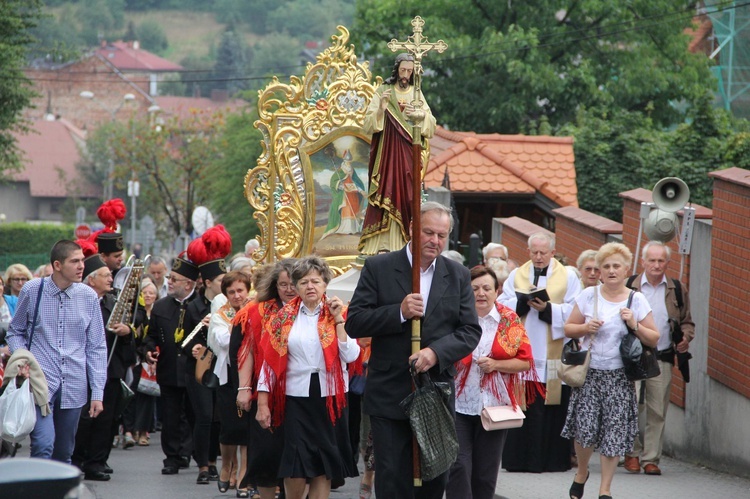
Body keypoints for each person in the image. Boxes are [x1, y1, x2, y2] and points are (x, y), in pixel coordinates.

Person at [346, 201, 482, 499]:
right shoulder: (379, 268)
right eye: (429, 232)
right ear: (411, 229)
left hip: (434, 391)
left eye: (442, 235)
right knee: (393, 477)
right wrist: (398, 312)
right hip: (389, 392)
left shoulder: (457, 274)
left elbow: (470, 330)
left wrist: (435, 353)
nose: (435, 240)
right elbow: (354, 322)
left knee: (435, 477)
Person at [561, 242, 659, 499]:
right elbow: (569, 328)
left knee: (613, 433)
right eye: (606, 266)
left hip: (620, 376)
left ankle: (605, 489)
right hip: (590, 374)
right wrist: (585, 328)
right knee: (584, 431)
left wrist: (634, 323)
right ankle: (582, 472)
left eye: (616, 266)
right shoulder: (588, 295)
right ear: (599, 272)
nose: (611, 270)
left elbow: (654, 338)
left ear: (626, 269)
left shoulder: (635, 299)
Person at [257, 256, 360, 499]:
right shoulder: (283, 318)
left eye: (315, 281)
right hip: (296, 396)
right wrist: (262, 403)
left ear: (325, 284)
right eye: (303, 282)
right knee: (295, 462)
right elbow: (269, 364)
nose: (310, 286)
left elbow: (351, 354)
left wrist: (338, 321)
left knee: (323, 464)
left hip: (330, 397)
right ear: (296, 287)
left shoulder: (339, 312)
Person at [6, 240, 107, 463]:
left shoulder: (89, 296)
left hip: (74, 385)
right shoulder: (33, 290)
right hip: (40, 382)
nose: (82, 266)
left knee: (63, 453)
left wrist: (97, 392)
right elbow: (15, 332)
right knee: (43, 446)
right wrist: (23, 358)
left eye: (82, 260)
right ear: (58, 265)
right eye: (75, 261)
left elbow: (97, 347)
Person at [446, 265, 536, 499]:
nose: (481, 293)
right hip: (458, 403)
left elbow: (525, 361)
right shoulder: (454, 317)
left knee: (485, 474)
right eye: (474, 288)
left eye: (487, 288)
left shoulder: (509, 320)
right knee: (458, 466)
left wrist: (496, 365)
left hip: (495, 406)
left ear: (497, 291)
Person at [498, 232, 582, 473]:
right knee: (526, 409)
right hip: (524, 354)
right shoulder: (517, 275)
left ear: (552, 252)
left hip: (552, 354)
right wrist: (523, 303)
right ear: (528, 251)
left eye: (543, 253)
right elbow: (502, 306)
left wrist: (548, 309)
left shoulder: (568, 276)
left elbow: (576, 310)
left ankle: (552, 461)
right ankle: (518, 461)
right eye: (534, 252)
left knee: (551, 408)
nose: (538, 257)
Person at [623, 241, 694, 476]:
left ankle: (651, 459)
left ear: (667, 263)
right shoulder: (629, 286)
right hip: (632, 357)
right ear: (643, 262)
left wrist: (685, 337)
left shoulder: (676, 288)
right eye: (651, 260)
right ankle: (631, 454)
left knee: (657, 409)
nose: (656, 265)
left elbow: (687, 321)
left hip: (662, 356)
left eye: (660, 260)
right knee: (631, 406)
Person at [359, 53, 437, 255]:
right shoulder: (383, 91)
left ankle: (403, 241)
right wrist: (381, 110)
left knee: (406, 193)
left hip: (407, 153)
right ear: (396, 70)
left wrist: (419, 116)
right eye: (402, 70)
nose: (405, 75)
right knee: (386, 189)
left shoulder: (417, 94)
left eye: (409, 71)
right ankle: (379, 243)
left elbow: (431, 125)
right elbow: (368, 125)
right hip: (386, 154)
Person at [236, 260, 297, 499]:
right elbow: (247, 351)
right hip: (266, 393)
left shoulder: (314, 310)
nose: (289, 289)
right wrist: (243, 388)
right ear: (274, 285)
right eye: (283, 285)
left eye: (294, 284)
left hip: (300, 393)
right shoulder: (257, 311)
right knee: (265, 455)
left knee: (297, 457)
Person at [72, 254, 135, 481]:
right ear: (91, 280)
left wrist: (127, 332)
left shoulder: (114, 303)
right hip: (81, 370)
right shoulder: (77, 302)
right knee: (82, 419)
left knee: (106, 419)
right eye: (106, 275)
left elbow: (130, 342)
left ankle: (96, 462)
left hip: (110, 370)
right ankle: (76, 460)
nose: (111, 279)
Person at [183, 226, 232, 485]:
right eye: (221, 281)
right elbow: (181, 340)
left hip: (222, 365)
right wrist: (201, 331)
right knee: (203, 415)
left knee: (218, 417)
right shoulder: (193, 306)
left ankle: (214, 461)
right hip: (200, 366)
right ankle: (202, 464)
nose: (226, 285)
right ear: (208, 282)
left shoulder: (230, 305)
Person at [144, 255, 199, 474]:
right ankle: (172, 457)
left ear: (188, 283)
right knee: (171, 416)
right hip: (168, 370)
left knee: (193, 414)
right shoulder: (160, 306)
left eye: (174, 278)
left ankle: (190, 451)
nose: (169, 281)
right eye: (170, 277)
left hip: (194, 371)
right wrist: (148, 350)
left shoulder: (201, 306)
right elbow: (152, 337)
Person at [209, 271, 252, 496]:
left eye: (240, 290)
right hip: (228, 375)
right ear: (225, 294)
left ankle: (245, 474)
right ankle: (227, 465)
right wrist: (241, 323)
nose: (237, 295)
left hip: (250, 374)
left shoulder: (255, 310)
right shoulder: (220, 315)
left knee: (247, 427)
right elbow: (224, 340)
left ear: (248, 290)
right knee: (229, 427)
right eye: (231, 292)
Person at [323, 150, 366, 237]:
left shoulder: (352, 170)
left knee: (355, 208)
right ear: (344, 161)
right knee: (347, 209)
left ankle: (355, 228)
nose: (349, 163)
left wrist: (361, 190)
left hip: (353, 193)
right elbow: (333, 181)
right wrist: (340, 184)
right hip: (345, 194)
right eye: (347, 161)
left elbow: (356, 181)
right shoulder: (340, 170)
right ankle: (346, 229)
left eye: (350, 161)